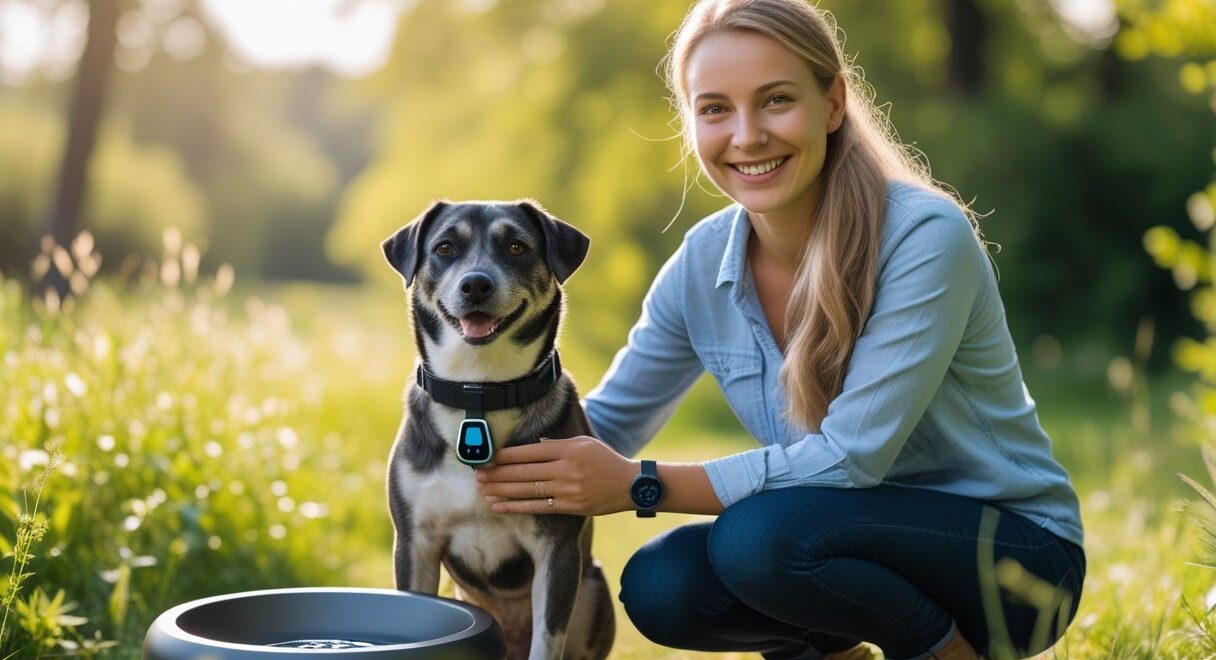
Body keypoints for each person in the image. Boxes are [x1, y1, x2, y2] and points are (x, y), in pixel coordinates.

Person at [474, 0, 1086, 657]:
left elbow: (850, 459)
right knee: (663, 582)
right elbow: (601, 426)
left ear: (832, 104)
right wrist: (460, 473)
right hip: (833, 537)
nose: (747, 136)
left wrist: (638, 484)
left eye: (775, 100)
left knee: (756, 539)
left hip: (1013, 561)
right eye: (715, 109)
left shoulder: (923, 237)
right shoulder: (702, 263)